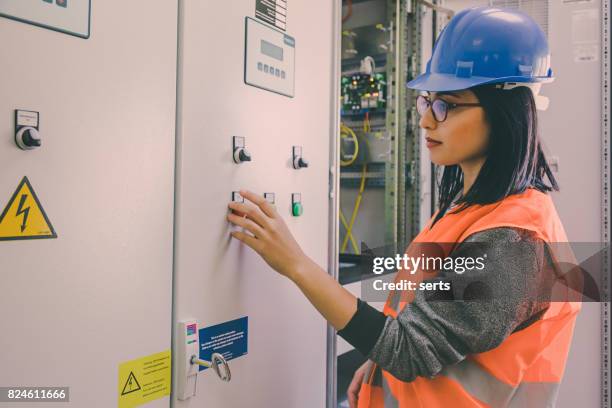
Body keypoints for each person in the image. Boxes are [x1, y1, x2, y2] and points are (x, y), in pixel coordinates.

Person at [227, 7, 580, 407]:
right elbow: (425, 333)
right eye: (426, 102)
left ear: (506, 114)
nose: (426, 121)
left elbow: (409, 348)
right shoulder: (470, 208)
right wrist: (378, 363)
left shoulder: (515, 241)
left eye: (446, 105)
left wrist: (296, 264)